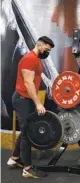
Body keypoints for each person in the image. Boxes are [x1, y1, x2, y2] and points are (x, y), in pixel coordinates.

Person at [7, 36, 54, 178]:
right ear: (40, 45)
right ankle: (27, 168)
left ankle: (14, 159)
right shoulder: (30, 59)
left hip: (26, 100)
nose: (48, 52)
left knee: (26, 129)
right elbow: (28, 84)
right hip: (22, 99)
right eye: (47, 49)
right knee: (28, 133)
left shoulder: (36, 59)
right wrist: (38, 103)